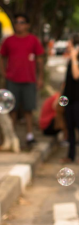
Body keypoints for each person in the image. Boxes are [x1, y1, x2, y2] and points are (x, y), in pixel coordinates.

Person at [0, 13, 44, 146]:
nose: (19, 24)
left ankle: (29, 136)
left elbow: (40, 59)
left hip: (29, 79)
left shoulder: (33, 40)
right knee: (11, 109)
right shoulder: (9, 40)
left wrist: (40, 77)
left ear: (28, 25)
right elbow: (2, 56)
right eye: (17, 22)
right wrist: (3, 73)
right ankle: (12, 138)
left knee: (28, 109)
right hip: (12, 79)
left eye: (22, 22)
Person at [61, 34, 79, 164]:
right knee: (70, 127)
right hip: (69, 98)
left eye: (70, 44)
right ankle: (71, 155)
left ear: (77, 47)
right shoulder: (70, 60)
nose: (68, 46)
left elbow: (76, 75)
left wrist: (73, 58)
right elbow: (67, 81)